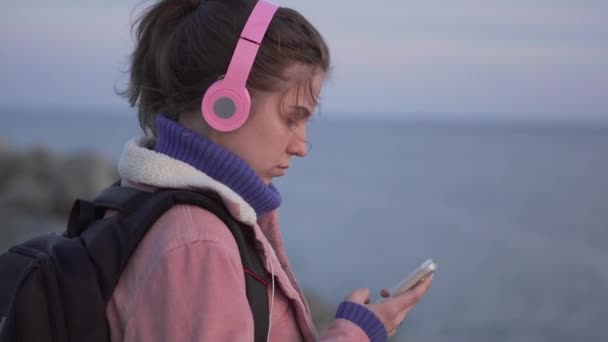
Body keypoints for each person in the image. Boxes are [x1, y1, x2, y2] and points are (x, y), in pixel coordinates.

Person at [107, 0, 434, 341]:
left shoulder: (139, 199)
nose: (301, 146)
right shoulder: (198, 242)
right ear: (225, 104)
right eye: (292, 117)